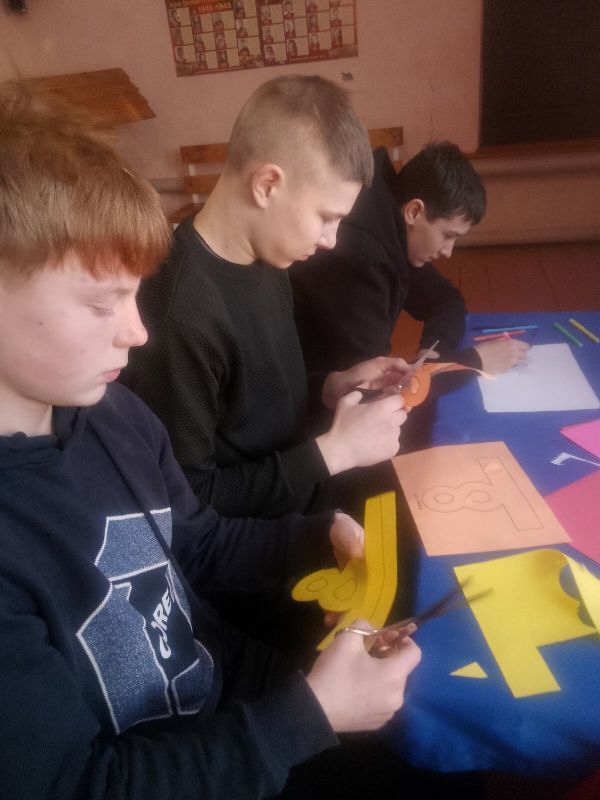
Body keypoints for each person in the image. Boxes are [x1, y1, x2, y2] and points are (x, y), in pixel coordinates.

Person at [0, 82, 421, 800]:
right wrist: (309, 716)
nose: (138, 333)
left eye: (134, 294)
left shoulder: (115, 415)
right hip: (179, 764)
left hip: (223, 692)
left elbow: (192, 541)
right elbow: (80, 784)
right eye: (103, 302)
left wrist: (313, 539)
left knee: (414, 738)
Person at [122, 76, 409, 520]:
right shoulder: (179, 314)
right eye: (326, 217)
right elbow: (189, 499)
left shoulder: (268, 256)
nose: (332, 240)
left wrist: (332, 387)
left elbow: (256, 401)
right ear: (267, 185)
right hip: (258, 537)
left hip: (305, 493)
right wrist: (333, 453)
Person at [290, 142, 530, 375]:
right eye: (447, 235)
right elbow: (372, 386)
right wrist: (473, 362)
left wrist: (431, 357)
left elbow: (446, 300)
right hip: (306, 392)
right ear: (414, 212)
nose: (448, 251)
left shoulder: (392, 220)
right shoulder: (361, 262)